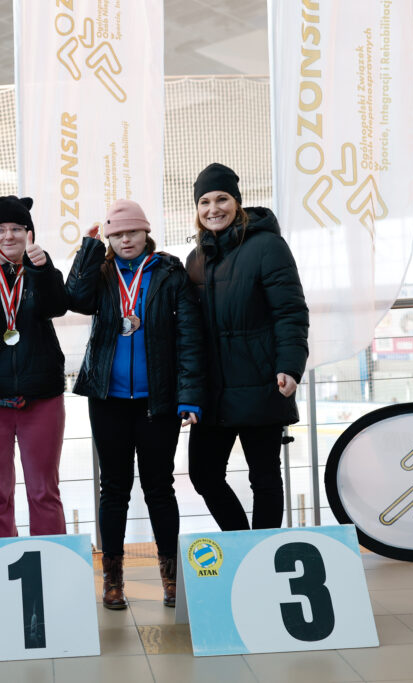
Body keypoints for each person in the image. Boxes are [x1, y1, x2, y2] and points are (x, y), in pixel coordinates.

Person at [65, 198, 204, 610]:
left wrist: (189, 395)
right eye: (117, 234)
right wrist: (88, 250)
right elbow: (76, 299)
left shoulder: (169, 272)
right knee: (114, 488)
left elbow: (189, 336)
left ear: (146, 232)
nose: (125, 240)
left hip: (157, 399)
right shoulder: (101, 272)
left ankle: (171, 577)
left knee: (159, 487)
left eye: (132, 232)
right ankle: (113, 579)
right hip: (108, 398)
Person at [185, 163, 309, 531]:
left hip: (261, 380)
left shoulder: (267, 246)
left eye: (222, 199)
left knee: (264, 478)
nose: (213, 209)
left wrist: (290, 366)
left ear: (237, 202)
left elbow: (290, 311)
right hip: (214, 389)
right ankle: (241, 543)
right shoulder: (196, 258)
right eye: (205, 202)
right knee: (204, 474)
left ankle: (265, 551)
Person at [0, 196, 68, 538]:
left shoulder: (44, 270)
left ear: (29, 233)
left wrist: (42, 270)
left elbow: (56, 308)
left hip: (41, 396)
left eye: (17, 229)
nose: (8, 236)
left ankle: (52, 563)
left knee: (44, 492)